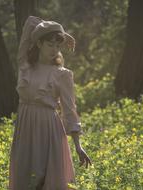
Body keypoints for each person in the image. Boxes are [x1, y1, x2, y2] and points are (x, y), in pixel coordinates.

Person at [9, 16, 91, 190]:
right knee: (24, 177)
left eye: (58, 45)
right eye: (50, 44)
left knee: (45, 177)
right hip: (25, 127)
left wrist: (78, 145)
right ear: (39, 44)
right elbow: (30, 21)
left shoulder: (63, 74)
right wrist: (62, 32)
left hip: (49, 128)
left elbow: (70, 110)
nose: (54, 49)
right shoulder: (25, 64)